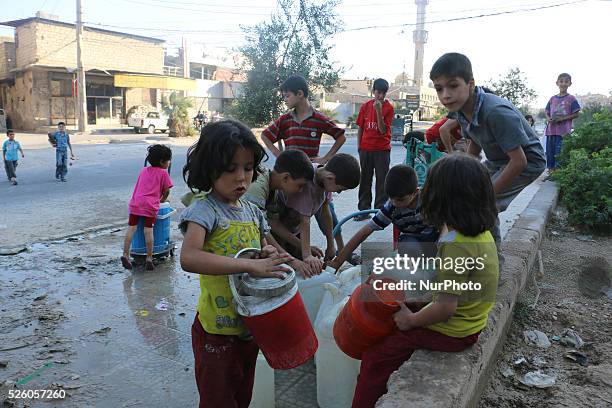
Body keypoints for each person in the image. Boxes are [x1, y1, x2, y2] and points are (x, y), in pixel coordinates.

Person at [351, 154, 499, 408]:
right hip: (467, 315)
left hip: (454, 330)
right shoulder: (472, 230)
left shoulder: (457, 244)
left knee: (375, 358)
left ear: (439, 197)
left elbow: (445, 308)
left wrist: (412, 321)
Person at [179, 120, 292, 408]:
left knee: (242, 397)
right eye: (230, 169)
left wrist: (270, 257)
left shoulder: (253, 211)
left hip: (250, 325)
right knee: (218, 400)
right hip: (216, 331)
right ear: (209, 168)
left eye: (248, 167)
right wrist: (249, 266)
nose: (241, 177)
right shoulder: (204, 210)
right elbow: (189, 257)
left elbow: (264, 247)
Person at [430, 52, 546, 253]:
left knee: (483, 206)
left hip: (527, 162)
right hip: (498, 160)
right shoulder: (461, 108)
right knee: (464, 193)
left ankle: (492, 264)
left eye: (453, 85)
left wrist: (486, 195)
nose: (445, 95)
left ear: (471, 83)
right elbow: (475, 140)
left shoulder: (495, 112)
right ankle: (465, 249)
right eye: (439, 89)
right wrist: (463, 173)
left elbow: (519, 161)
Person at [261, 75, 354, 260]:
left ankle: (340, 252)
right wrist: (279, 155)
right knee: (295, 217)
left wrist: (327, 157)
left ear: (300, 94)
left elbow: (340, 136)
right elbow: (265, 136)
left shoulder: (318, 118)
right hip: (295, 180)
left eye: (287, 96)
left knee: (328, 215)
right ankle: (297, 251)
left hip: (314, 175)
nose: (285, 99)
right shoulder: (285, 119)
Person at [328, 164, 438, 271]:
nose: (395, 203)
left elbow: (445, 226)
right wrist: (337, 263)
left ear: (415, 193)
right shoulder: (391, 207)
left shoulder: (429, 200)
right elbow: (363, 233)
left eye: (400, 200)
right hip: (412, 242)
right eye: (391, 198)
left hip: (435, 239)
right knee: (409, 249)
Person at [270, 153, 360, 275]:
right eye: (339, 189)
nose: (338, 193)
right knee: (285, 270)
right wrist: (307, 254)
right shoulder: (306, 181)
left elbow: (325, 211)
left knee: (303, 269)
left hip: (296, 233)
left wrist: (330, 244)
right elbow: (305, 221)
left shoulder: (324, 179)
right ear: (330, 178)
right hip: (278, 232)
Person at [121, 144, 173, 271]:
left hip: (136, 203)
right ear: (162, 161)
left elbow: (139, 187)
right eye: (168, 160)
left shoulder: (144, 170)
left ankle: (125, 255)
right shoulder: (163, 173)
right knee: (148, 231)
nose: (169, 162)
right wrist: (161, 200)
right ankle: (149, 258)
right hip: (149, 205)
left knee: (131, 229)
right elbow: (166, 192)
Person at [354, 78, 394, 221]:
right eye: (378, 93)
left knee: (382, 181)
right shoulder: (365, 106)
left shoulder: (389, 108)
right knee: (365, 180)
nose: (380, 96)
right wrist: (359, 147)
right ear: (373, 92)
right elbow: (360, 128)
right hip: (366, 149)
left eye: (383, 93)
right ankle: (363, 211)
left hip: (382, 149)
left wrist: (378, 111)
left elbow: (383, 130)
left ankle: (380, 211)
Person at [544, 73, 581, 170]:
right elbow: (546, 111)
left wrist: (562, 119)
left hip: (563, 131)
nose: (563, 83)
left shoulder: (571, 98)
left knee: (560, 151)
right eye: (561, 81)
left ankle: (559, 171)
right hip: (551, 130)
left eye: (566, 81)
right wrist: (548, 118)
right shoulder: (552, 98)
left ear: (570, 83)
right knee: (550, 151)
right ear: (557, 83)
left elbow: (576, 114)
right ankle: (551, 170)